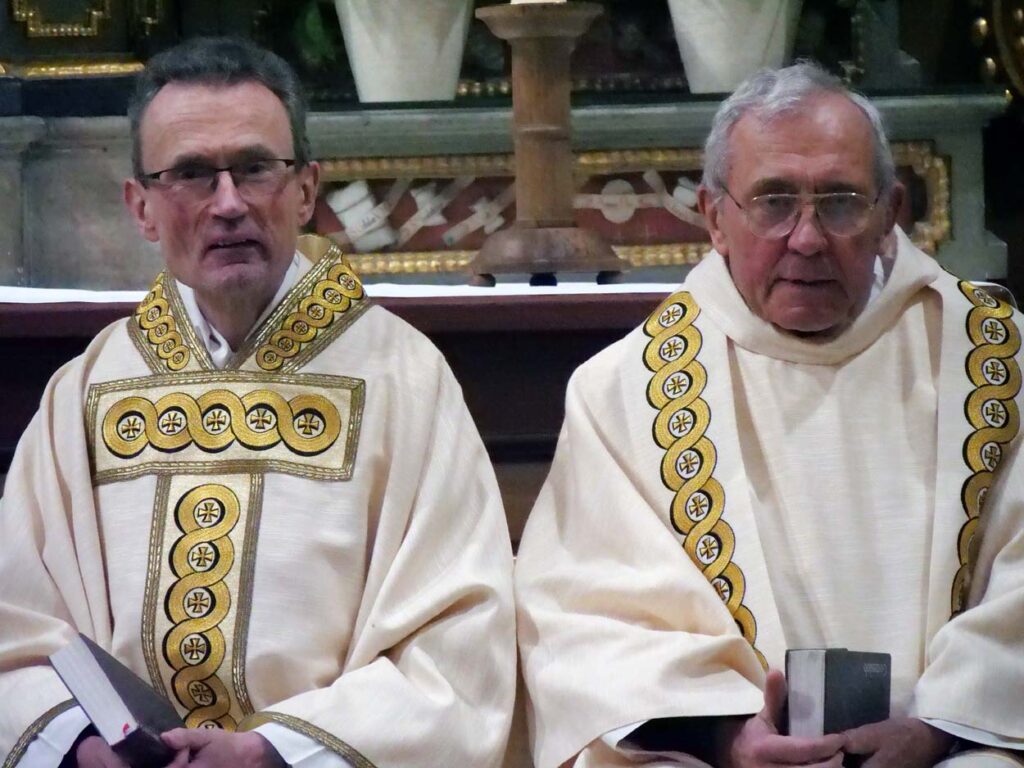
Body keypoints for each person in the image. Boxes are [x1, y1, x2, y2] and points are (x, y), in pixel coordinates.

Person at [0, 37, 516, 768]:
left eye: (254, 168)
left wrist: (273, 750)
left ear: (306, 190)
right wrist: (79, 746)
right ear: (141, 207)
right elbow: (15, 628)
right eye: (191, 174)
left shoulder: (404, 380)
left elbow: (459, 640)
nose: (229, 204)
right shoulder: (84, 392)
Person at [515, 62, 1024, 768]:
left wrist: (940, 724)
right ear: (715, 218)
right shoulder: (625, 391)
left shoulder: (995, 364)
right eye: (774, 202)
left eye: (841, 202)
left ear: (890, 215)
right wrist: (727, 735)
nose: (807, 237)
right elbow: (587, 620)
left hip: (959, 748)